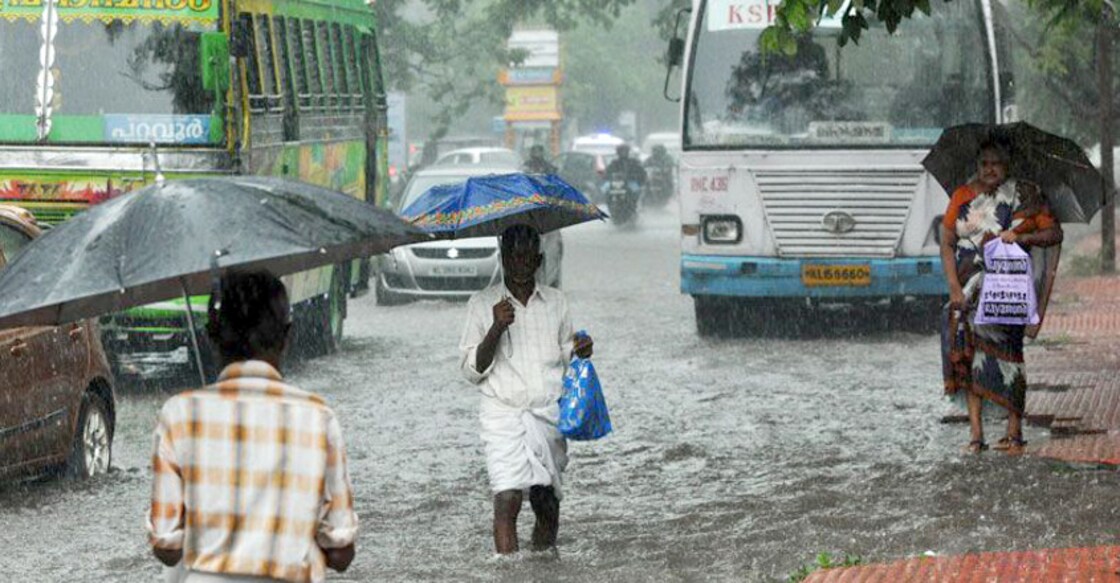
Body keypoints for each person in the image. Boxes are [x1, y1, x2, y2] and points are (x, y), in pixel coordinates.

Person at [148, 271, 358, 582]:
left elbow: (166, 546)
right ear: (288, 335)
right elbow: (341, 554)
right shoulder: (318, 418)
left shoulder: (179, 414)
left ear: (211, 335)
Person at [458, 224, 594, 555]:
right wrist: (496, 328)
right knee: (507, 497)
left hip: (547, 413)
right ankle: (508, 572)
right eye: (512, 256)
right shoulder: (482, 304)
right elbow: (471, 371)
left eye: (526, 257)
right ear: (502, 258)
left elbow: (567, 359)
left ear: (539, 259)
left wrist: (582, 349)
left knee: (546, 500)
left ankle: (544, 564)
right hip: (502, 413)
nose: (520, 265)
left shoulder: (557, 303)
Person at [940, 137, 1063, 454]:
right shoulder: (962, 196)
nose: (989, 169)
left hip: (1008, 287)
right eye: (984, 163)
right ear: (977, 165)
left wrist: (1022, 235)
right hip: (968, 287)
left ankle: (1014, 433)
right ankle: (976, 436)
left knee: (1010, 354)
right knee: (967, 355)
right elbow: (947, 242)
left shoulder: (1026, 195)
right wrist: (954, 287)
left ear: (1007, 165)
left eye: (996, 163)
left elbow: (1054, 234)